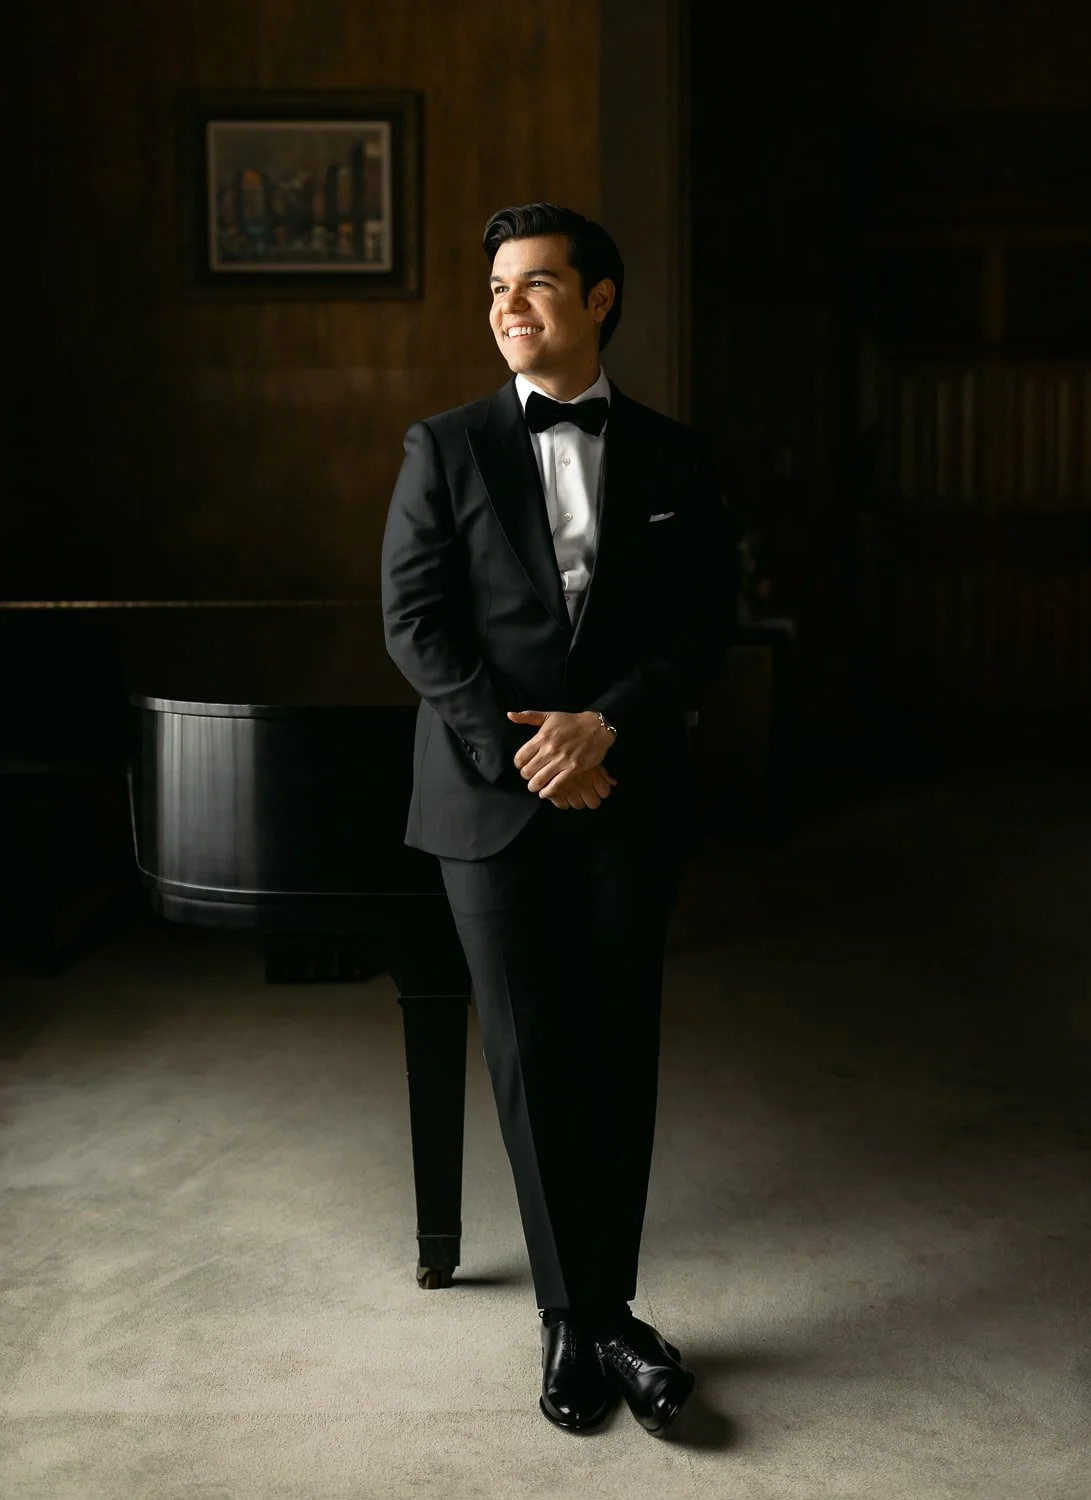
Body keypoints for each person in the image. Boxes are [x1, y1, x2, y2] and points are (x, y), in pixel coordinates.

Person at [381, 202, 735, 1436]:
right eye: (496, 289)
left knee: (619, 1050)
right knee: (530, 1058)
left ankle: (609, 1310)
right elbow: (414, 623)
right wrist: (528, 753)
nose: (509, 306)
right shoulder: (444, 446)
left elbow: (705, 627)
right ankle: (572, 1321)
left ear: (600, 299)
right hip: (490, 799)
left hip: (627, 791)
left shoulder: (677, 456)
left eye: (535, 284)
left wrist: (607, 726)